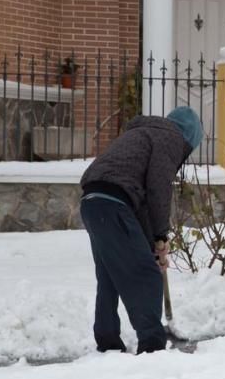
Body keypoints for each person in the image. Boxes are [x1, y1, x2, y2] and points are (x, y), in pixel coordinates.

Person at [79, 106, 203, 354]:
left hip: (93, 201)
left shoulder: (144, 133)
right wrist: (159, 235)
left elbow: (140, 200)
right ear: (188, 139)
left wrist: (153, 245)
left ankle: (108, 341)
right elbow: (158, 189)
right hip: (114, 204)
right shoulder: (170, 139)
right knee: (147, 274)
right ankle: (152, 345)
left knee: (109, 276)